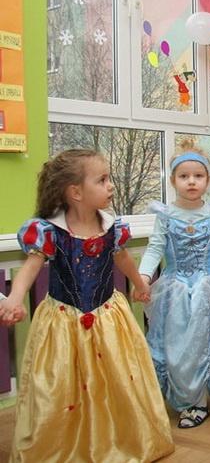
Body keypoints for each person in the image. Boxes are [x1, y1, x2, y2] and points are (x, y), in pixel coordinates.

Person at [0, 149, 174, 462]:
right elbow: (31, 267)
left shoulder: (112, 228)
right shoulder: (50, 232)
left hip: (108, 317)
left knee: (116, 379)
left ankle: (116, 441)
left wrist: (139, 283)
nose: (111, 186)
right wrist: (14, 298)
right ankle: (66, 447)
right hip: (63, 322)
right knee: (61, 385)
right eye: (102, 180)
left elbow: (123, 258)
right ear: (76, 192)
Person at [138, 144, 210, 428]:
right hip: (176, 291)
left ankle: (198, 403)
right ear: (173, 181)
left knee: (201, 346)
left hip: (208, 290)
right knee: (176, 346)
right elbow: (154, 249)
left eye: (198, 176)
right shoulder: (165, 215)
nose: (191, 181)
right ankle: (183, 397)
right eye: (184, 176)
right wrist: (143, 277)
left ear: (207, 180)